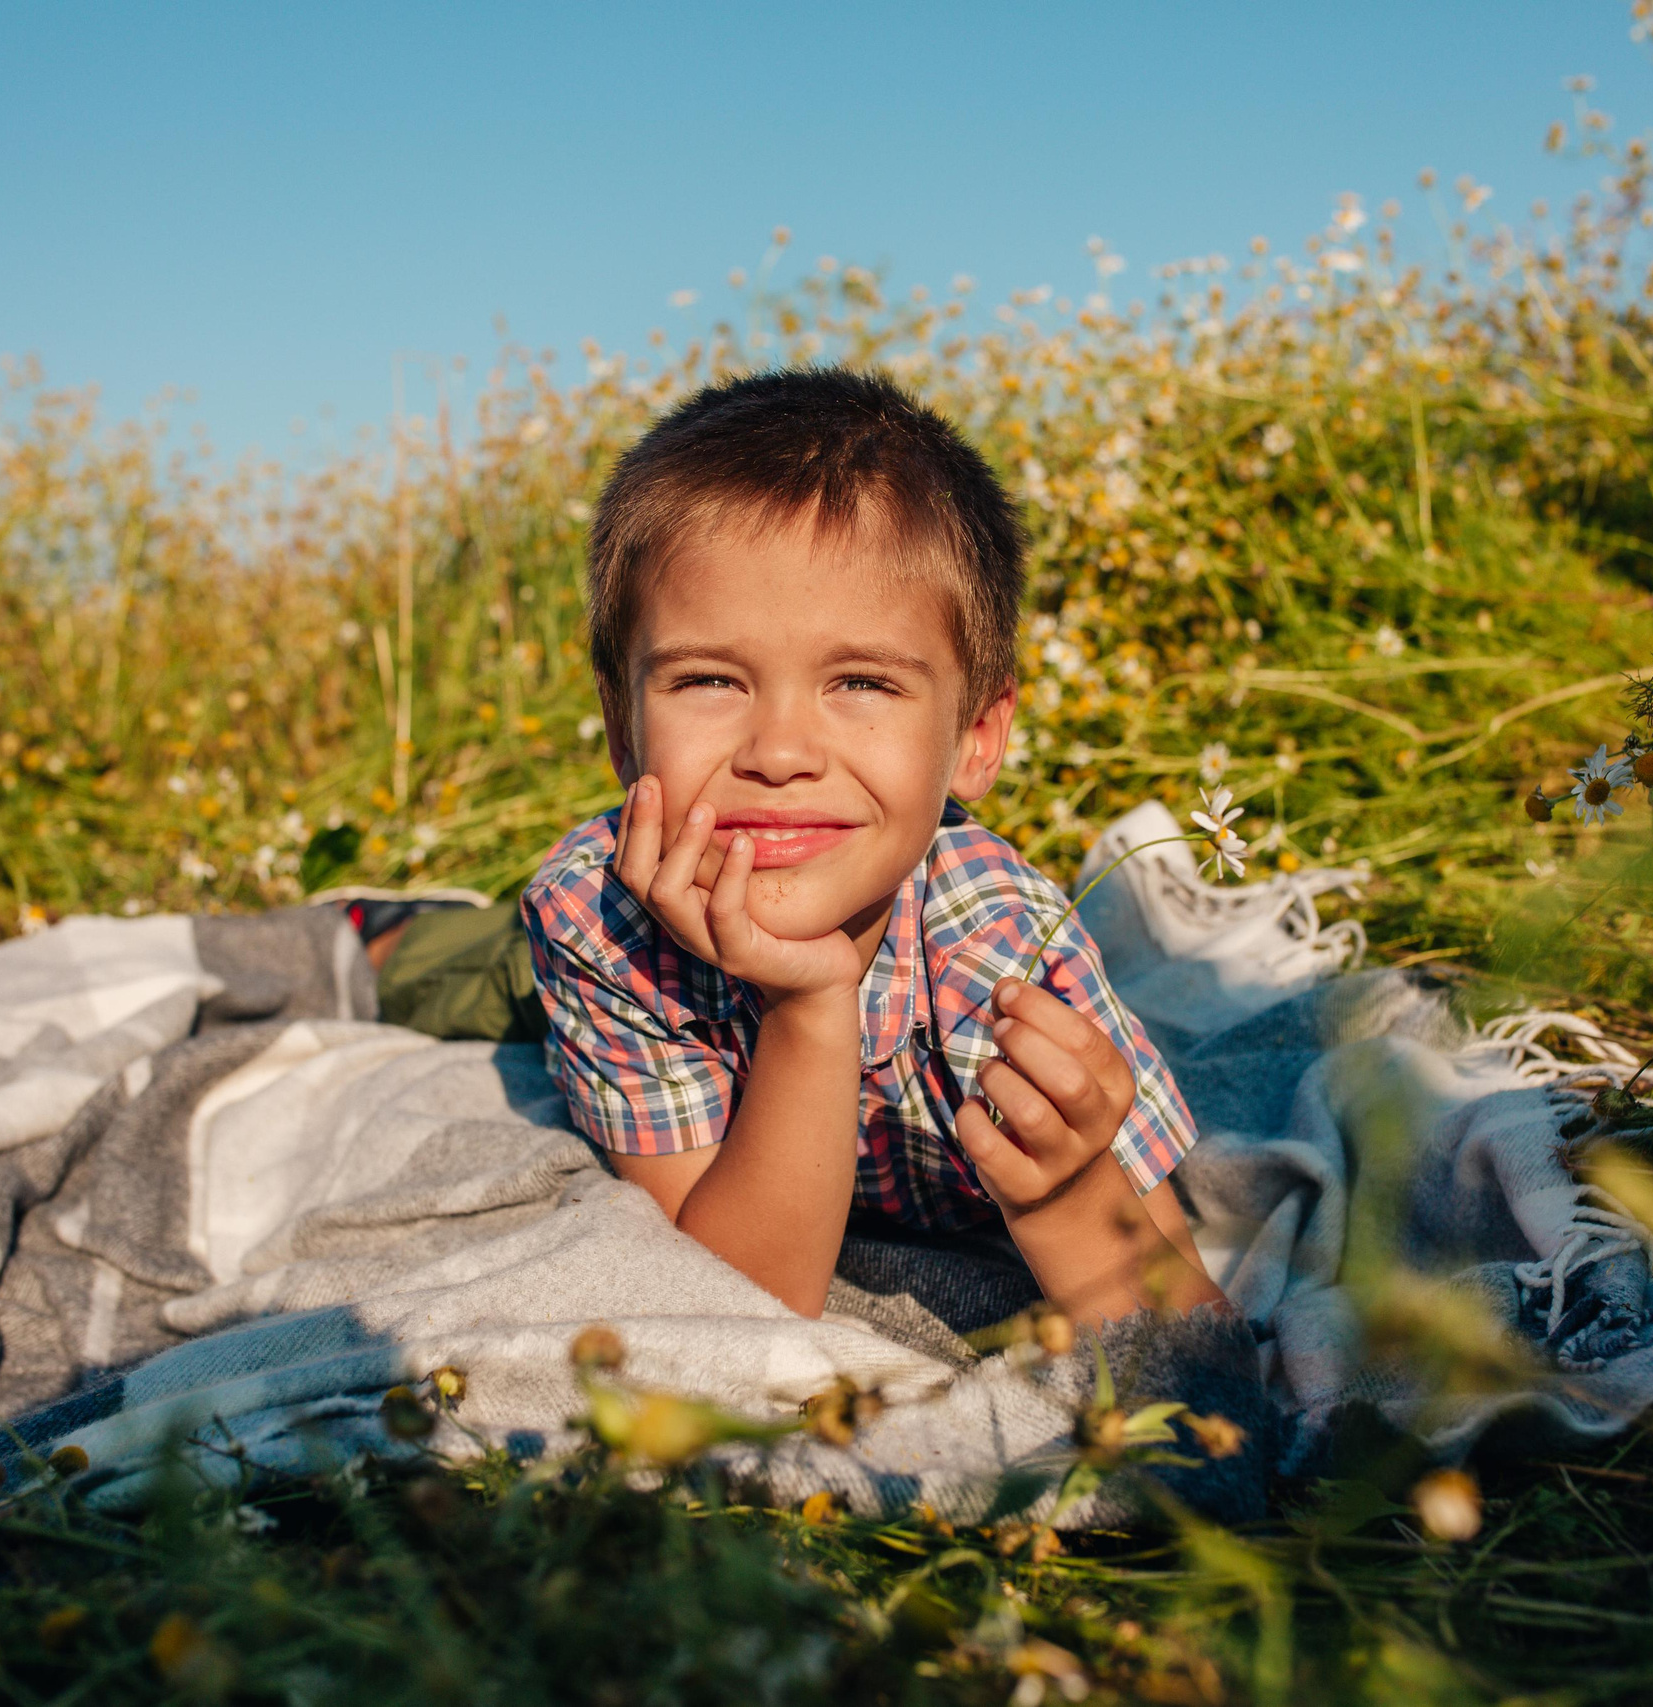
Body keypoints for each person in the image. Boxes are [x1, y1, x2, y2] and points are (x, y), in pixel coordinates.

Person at [518, 368, 1222, 1326]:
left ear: (976, 734)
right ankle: (384, 933)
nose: (779, 754)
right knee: (462, 978)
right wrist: (813, 1007)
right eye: (709, 681)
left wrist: (1064, 1194)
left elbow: (1194, 1345)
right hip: (586, 935)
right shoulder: (596, 918)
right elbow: (728, 1311)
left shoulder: (1003, 952)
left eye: (860, 683)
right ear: (620, 721)